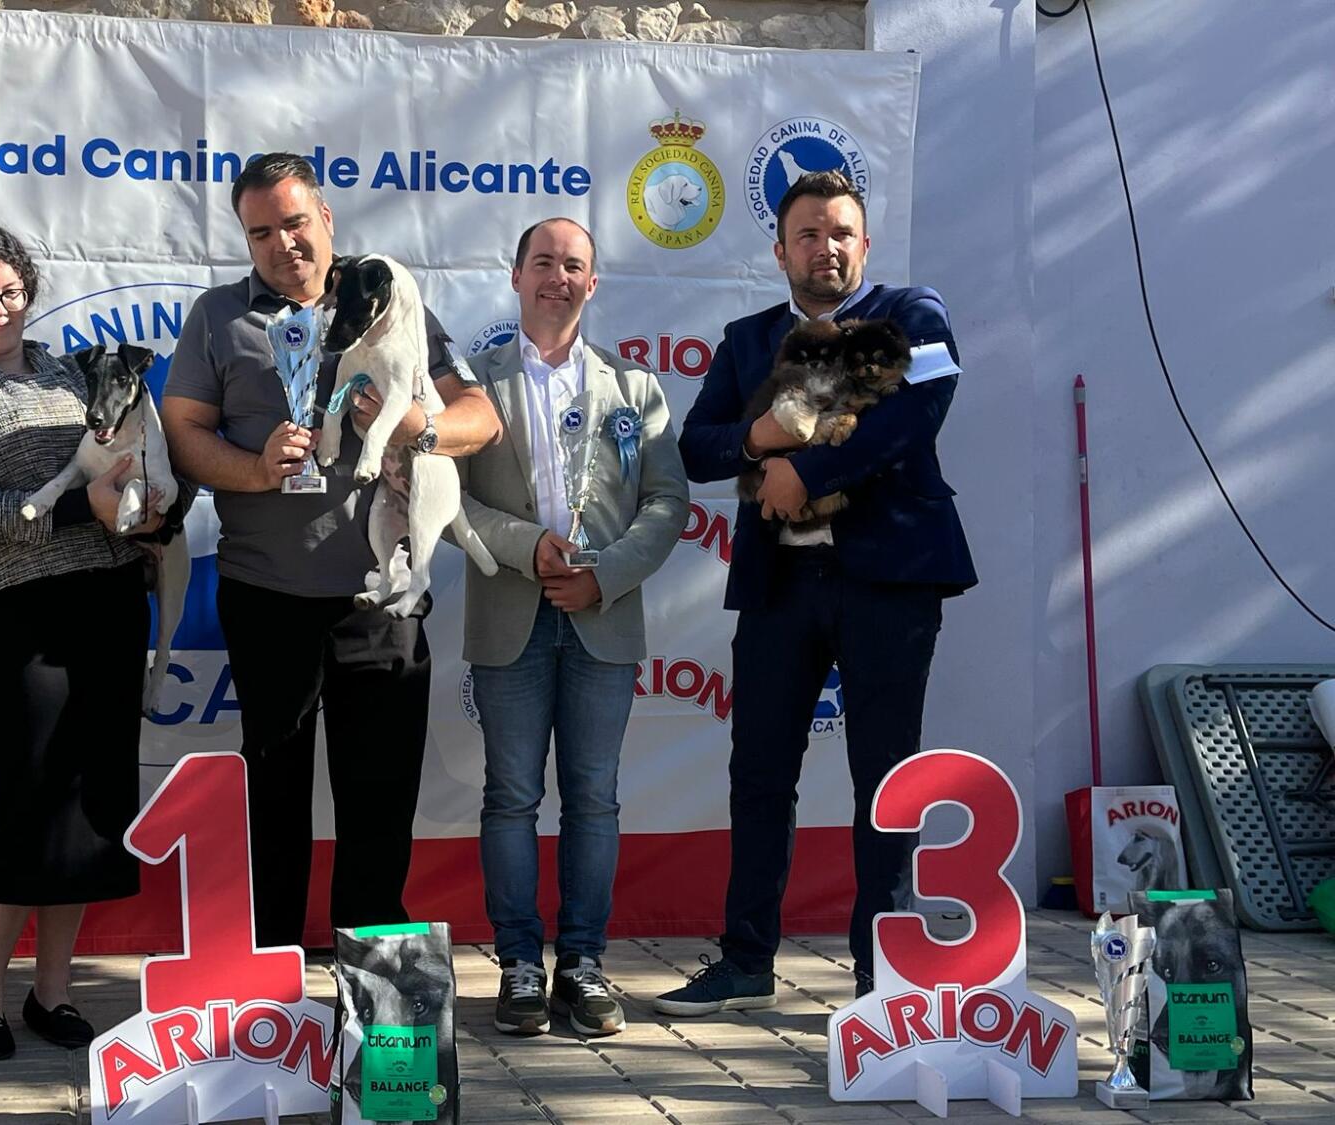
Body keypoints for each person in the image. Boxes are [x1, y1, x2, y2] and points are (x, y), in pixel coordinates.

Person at [161, 152, 501, 949]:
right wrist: (254, 468)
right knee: (271, 798)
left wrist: (415, 425)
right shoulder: (216, 315)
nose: (282, 244)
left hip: (382, 598)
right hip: (267, 595)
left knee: (379, 804)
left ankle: (372, 994)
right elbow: (181, 434)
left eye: (294, 223)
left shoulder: (386, 296)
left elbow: (480, 417)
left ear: (326, 219)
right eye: (260, 233)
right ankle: (272, 982)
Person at [656, 171, 977, 1016]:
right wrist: (761, 437)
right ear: (780, 251)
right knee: (759, 773)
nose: (825, 248)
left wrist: (807, 471)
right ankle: (746, 960)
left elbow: (916, 414)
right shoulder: (748, 339)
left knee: (887, 777)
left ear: (864, 244)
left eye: (840, 233)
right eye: (808, 234)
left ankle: (883, 973)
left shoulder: (914, 314)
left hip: (890, 582)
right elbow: (696, 447)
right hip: (780, 586)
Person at [0, 222, 175, 1060]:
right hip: (25, 610)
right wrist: (80, 509)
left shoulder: (75, 371)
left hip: (113, 602)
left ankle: (53, 991)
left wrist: (155, 512)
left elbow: (141, 454)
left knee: (91, 807)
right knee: (29, 803)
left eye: (11, 292)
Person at [456, 218, 689, 1037]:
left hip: (603, 618)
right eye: (544, 262)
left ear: (593, 283)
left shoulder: (635, 386)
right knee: (511, 798)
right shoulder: (472, 386)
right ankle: (519, 964)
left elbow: (668, 500)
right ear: (516, 275)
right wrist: (527, 548)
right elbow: (447, 498)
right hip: (510, 616)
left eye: (574, 265)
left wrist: (604, 574)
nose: (557, 276)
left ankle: (583, 964)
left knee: (594, 799)